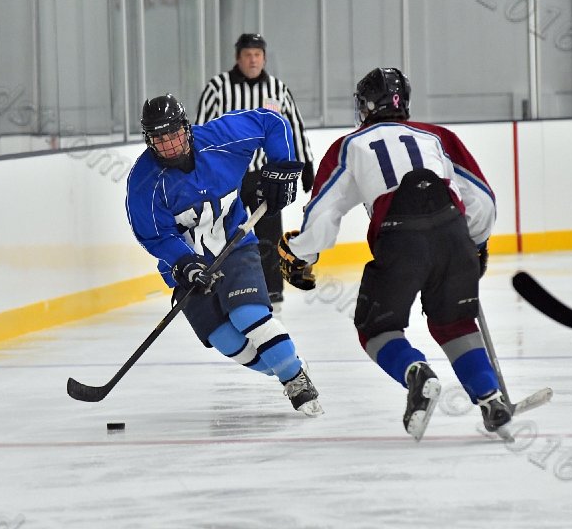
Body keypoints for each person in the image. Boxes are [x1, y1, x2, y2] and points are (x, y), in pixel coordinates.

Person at [277, 67, 512, 440]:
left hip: (400, 239)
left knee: (376, 329)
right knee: (455, 324)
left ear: (366, 106)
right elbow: (482, 201)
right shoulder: (438, 136)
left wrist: (300, 253)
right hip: (453, 233)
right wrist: (475, 244)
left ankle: (417, 374)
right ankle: (491, 399)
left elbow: (322, 218)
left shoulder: (350, 145)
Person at [126, 93, 322, 416]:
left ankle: (295, 379)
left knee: (248, 315)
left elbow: (272, 122)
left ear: (186, 128)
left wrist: (282, 168)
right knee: (225, 340)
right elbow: (154, 236)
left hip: (235, 243)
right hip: (187, 266)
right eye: (160, 140)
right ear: (149, 142)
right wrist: (184, 263)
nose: (170, 146)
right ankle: (285, 364)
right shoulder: (144, 183)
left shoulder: (220, 138)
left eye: (173, 134)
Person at [195, 33, 314, 306]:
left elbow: (293, 126)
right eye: (247, 54)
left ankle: (272, 290)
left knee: (269, 233)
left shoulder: (277, 89)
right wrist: (203, 168)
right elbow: (201, 129)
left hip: (266, 174)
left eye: (257, 54)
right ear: (238, 58)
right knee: (224, 229)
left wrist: (306, 163)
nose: (253, 59)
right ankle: (225, 286)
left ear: (264, 58)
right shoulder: (218, 88)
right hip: (229, 176)